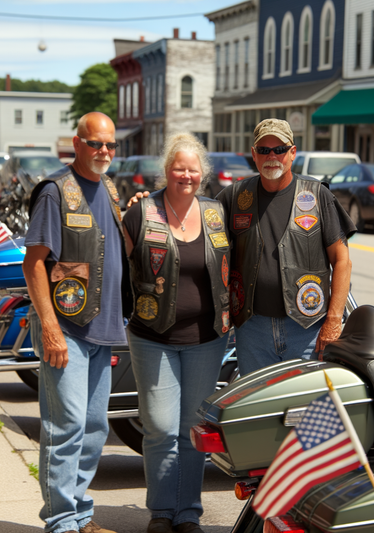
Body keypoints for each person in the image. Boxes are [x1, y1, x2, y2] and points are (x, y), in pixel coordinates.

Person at [23, 112, 130, 533]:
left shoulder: (109, 189)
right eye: (95, 143)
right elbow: (34, 263)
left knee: (93, 429)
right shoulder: (55, 192)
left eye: (110, 145)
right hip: (67, 331)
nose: (103, 151)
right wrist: (49, 327)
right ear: (76, 143)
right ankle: (61, 521)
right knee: (65, 427)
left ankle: (79, 513)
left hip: (104, 330)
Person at [122, 133, 231, 533]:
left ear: (202, 173)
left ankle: (188, 513)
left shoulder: (216, 212)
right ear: (166, 170)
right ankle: (161, 512)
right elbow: (118, 269)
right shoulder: (140, 212)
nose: (186, 174)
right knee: (160, 428)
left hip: (207, 338)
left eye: (192, 168)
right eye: (178, 167)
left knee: (192, 431)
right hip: (153, 338)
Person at [217, 118, 355, 375]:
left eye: (279, 149)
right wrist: (154, 206)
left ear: (292, 153)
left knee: (305, 408)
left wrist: (334, 321)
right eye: (264, 150)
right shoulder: (234, 197)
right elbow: (194, 225)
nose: (272, 156)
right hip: (252, 329)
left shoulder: (317, 196)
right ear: (254, 155)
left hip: (308, 328)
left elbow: (342, 261)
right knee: (259, 410)